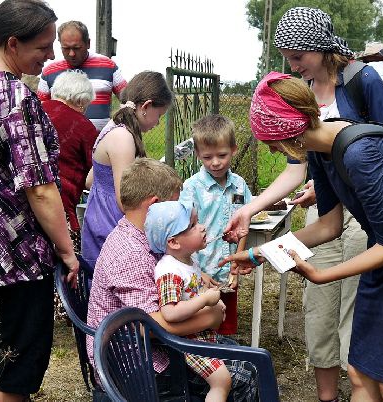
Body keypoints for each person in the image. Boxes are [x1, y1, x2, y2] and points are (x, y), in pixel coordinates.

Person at [222, 72, 383, 401]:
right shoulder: (321, 152)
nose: (273, 151)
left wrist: (322, 275)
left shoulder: (360, 155)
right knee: (360, 369)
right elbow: (327, 226)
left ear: (290, 132)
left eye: (271, 141)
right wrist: (261, 254)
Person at [225, 7, 383, 402]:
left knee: (354, 309)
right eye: (286, 58)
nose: (292, 64)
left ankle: (361, 384)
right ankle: (327, 396)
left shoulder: (361, 81)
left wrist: (332, 184)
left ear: (319, 47)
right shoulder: (300, 99)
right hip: (329, 210)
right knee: (318, 305)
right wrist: (256, 236)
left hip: (372, 215)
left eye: (297, 56)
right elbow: (301, 169)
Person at [0, 1, 79, 400]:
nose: (50, 56)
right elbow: (39, 187)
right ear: (13, 44)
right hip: (16, 251)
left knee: (1, 345)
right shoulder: (14, 96)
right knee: (20, 363)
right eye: (43, 47)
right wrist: (67, 251)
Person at [87, 158, 258, 401]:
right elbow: (148, 326)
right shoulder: (129, 253)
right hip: (138, 362)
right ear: (156, 205)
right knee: (248, 373)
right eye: (177, 204)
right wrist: (209, 317)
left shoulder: (145, 235)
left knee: (247, 357)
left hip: (153, 345)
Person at [80, 71, 173, 271]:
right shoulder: (123, 137)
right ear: (146, 107)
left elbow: (90, 181)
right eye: (160, 115)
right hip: (110, 227)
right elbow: (126, 201)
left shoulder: (112, 127)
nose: (158, 123)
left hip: (97, 219)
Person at [146, 201, 232, 402]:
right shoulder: (169, 271)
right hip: (188, 341)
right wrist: (204, 299)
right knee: (222, 381)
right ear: (174, 242)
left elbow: (190, 292)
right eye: (193, 225)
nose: (201, 227)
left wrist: (209, 297)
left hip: (201, 335)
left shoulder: (188, 261)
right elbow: (170, 312)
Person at [179, 114, 252, 335]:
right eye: (207, 157)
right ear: (198, 155)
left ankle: (226, 358)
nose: (215, 162)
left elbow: (243, 225)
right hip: (201, 271)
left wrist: (237, 263)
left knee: (226, 322)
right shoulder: (192, 187)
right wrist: (196, 270)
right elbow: (183, 232)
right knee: (201, 323)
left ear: (234, 149)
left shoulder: (239, 185)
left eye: (222, 155)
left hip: (228, 269)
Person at [41, 70, 98, 251]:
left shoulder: (34, 110)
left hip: (25, 200)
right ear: (81, 101)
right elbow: (95, 175)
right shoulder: (84, 127)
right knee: (66, 266)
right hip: (60, 207)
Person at [37, 20, 127, 132]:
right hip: (64, 144)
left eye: (76, 48)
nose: (71, 54)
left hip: (101, 144)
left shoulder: (108, 65)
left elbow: (128, 98)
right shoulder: (48, 72)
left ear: (88, 43)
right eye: (66, 48)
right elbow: (39, 110)